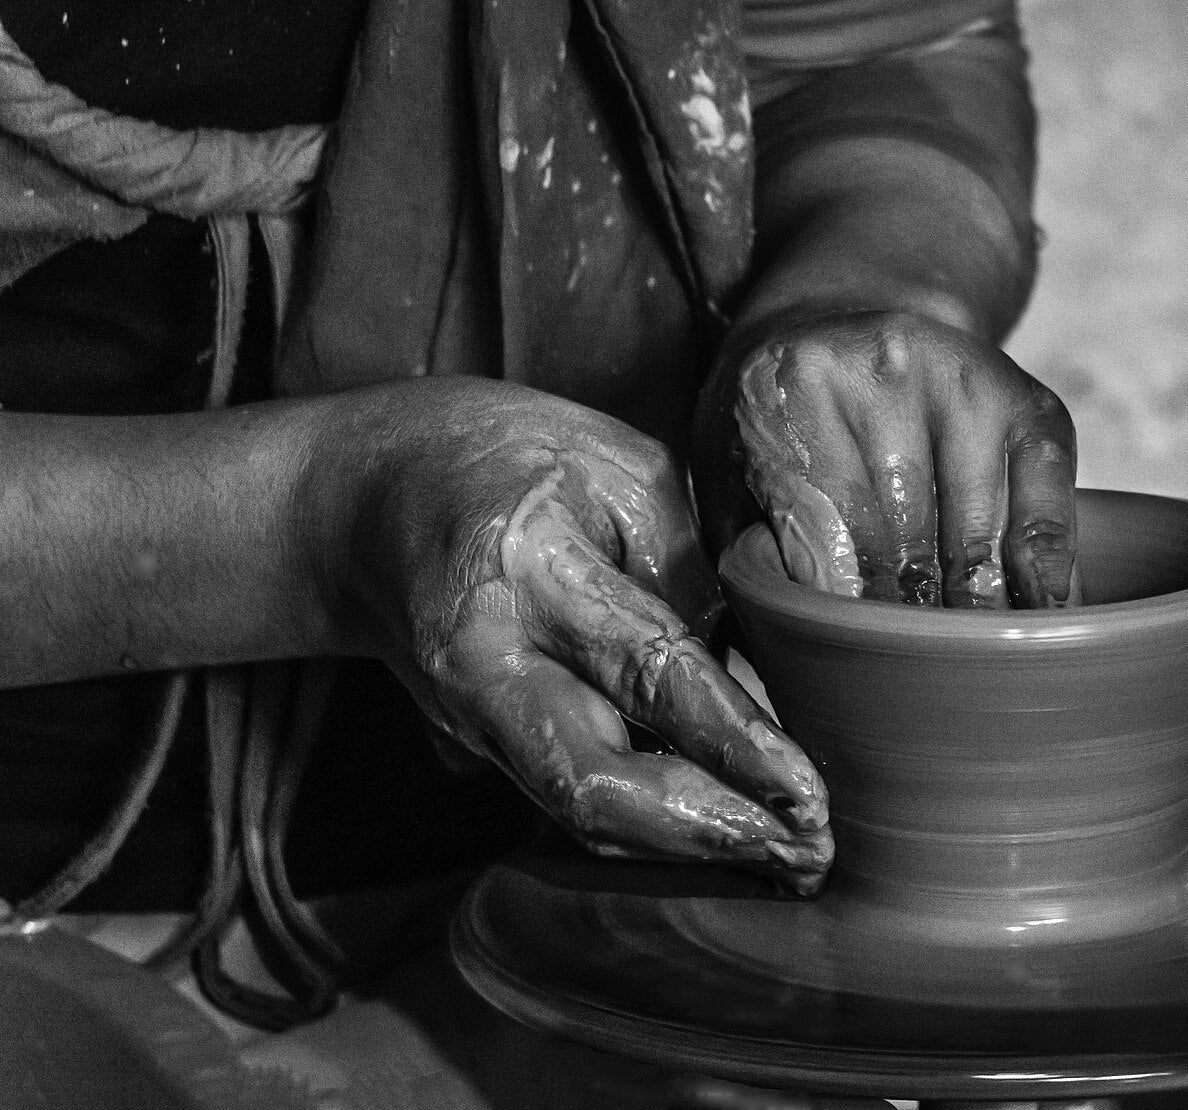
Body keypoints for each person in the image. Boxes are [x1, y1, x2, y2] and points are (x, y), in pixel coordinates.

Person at [0, 0, 1077, 1034]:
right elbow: (330, 515)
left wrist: (859, 286)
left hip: (550, 880)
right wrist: (316, 519)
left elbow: (873, 48)